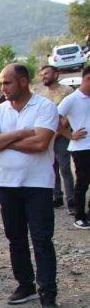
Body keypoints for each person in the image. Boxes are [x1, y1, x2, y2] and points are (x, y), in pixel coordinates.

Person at [0, 64, 60, 308]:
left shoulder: (45, 107)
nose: (2, 88)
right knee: (15, 238)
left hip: (38, 184)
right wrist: (20, 134)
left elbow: (40, 143)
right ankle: (25, 285)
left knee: (41, 240)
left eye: (7, 83)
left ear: (24, 82)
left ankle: (48, 294)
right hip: (7, 185)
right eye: (1, 83)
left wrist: (5, 141)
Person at [34, 65, 75, 211]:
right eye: (42, 74)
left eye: (46, 73)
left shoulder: (67, 91)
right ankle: (56, 196)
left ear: (56, 74)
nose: (43, 76)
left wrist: (57, 132)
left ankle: (72, 200)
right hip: (47, 137)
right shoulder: (40, 93)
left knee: (64, 168)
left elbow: (68, 114)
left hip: (62, 136)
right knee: (51, 168)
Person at [57, 65, 90, 229]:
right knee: (83, 182)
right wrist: (70, 135)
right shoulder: (72, 99)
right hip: (81, 147)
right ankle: (79, 215)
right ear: (87, 79)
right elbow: (54, 120)